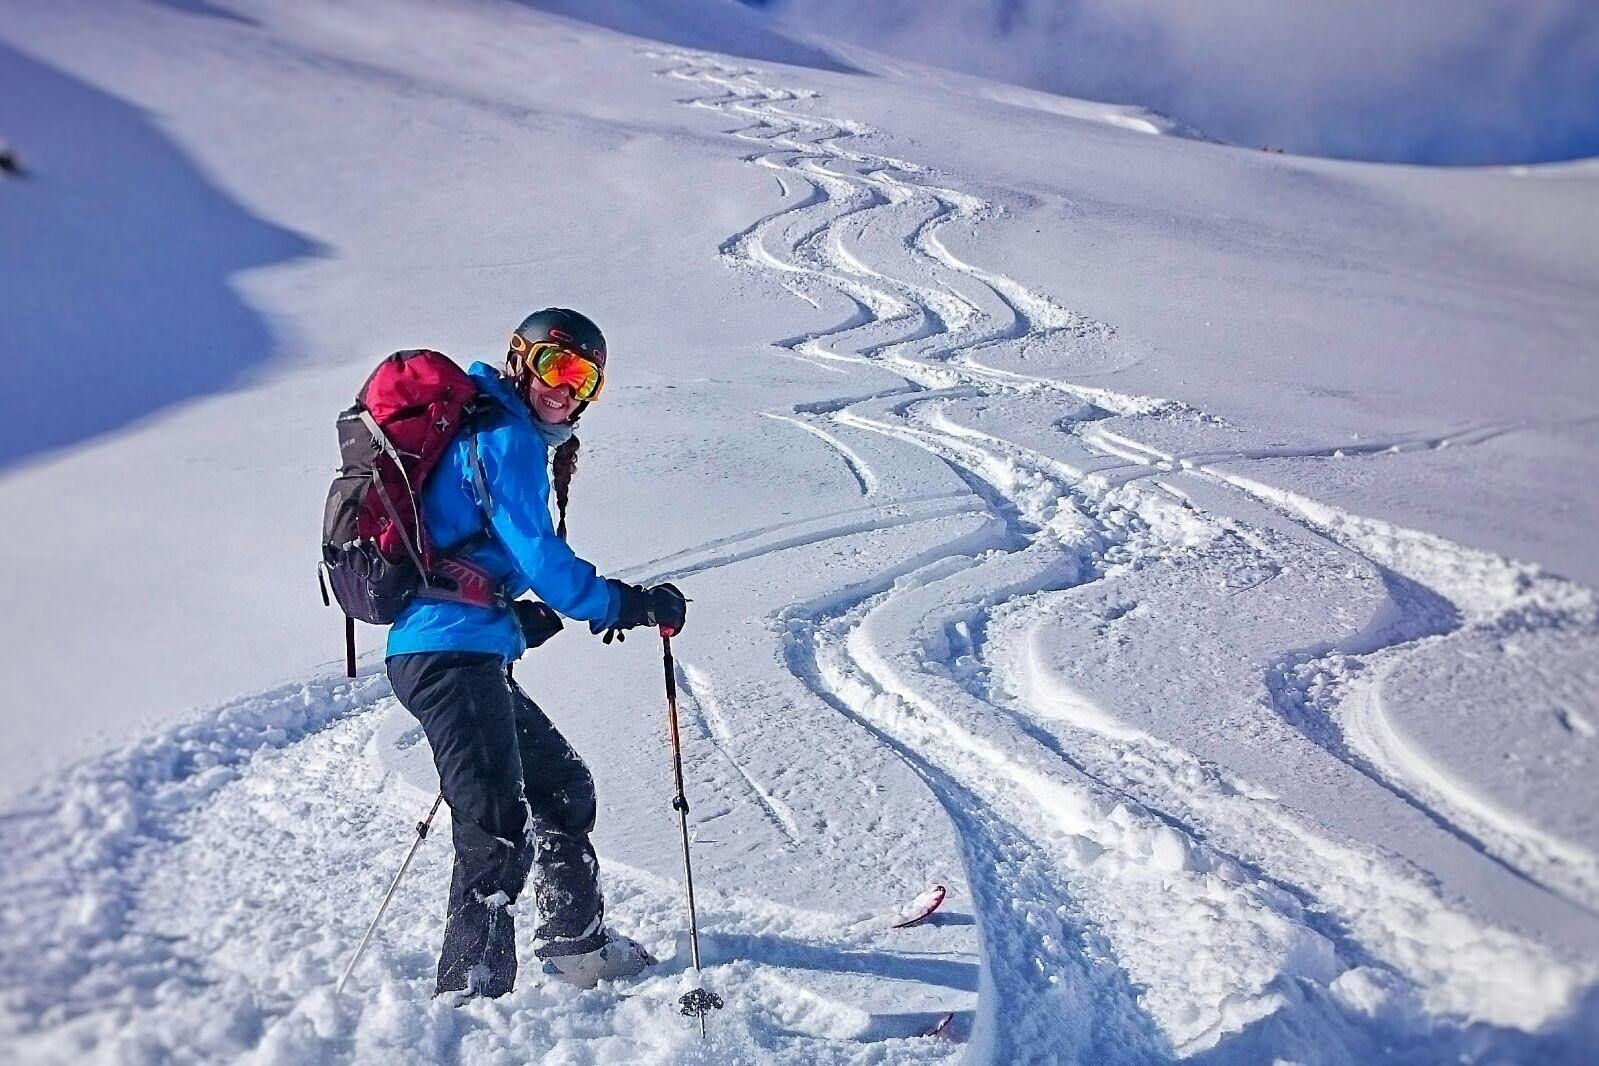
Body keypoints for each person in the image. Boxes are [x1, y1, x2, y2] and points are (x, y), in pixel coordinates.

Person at [384, 308, 687, 998]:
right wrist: (623, 603)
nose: (566, 388)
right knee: (494, 829)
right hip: (446, 653)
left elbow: (476, 549)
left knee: (561, 789)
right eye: (557, 365)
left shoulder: (492, 429)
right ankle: (471, 996)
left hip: (463, 646)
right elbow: (542, 558)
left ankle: (577, 946)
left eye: (585, 379)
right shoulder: (505, 435)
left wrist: (511, 622)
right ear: (521, 360)